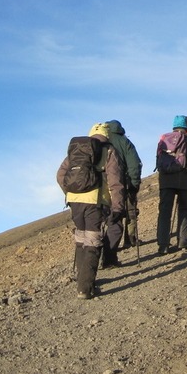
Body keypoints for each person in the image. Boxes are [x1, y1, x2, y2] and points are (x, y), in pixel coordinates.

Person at [56, 123, 125, 299]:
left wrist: (70, 192)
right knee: (93, 240)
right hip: (95, 201)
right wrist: (117, 206)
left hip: (75, 200)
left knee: (80, 238)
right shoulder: (109, 151)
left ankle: (83, 279)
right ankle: (85, 288)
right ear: (106, 135)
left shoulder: (77, 150)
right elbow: (115, 182)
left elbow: (60, 175)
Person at [155, 115, 187, 255]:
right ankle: (183, 240)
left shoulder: (163, 140)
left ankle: (163, 245)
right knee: (183, 209)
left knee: (164, 212)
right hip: (184, 180)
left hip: (165, 181)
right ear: (185, 127)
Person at [104, 120, 143, 252]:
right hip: (125, 182)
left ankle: (108, 245)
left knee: (112, 212)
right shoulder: (125, 141)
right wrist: (134, 183)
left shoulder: (103, 141)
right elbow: (134, 163)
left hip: (106, 185)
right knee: (130, 210)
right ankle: (130, 239)